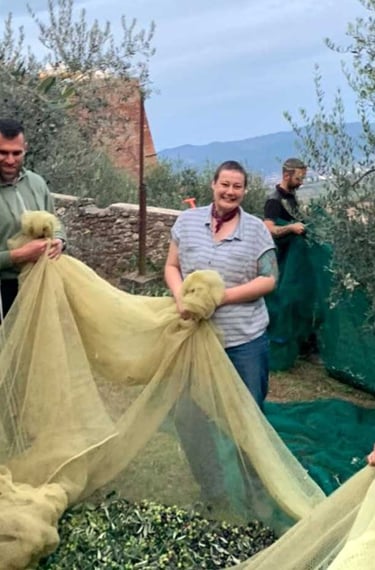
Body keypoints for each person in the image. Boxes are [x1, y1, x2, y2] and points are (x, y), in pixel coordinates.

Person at [165, 160, 278, 409]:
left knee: (247, 412)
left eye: (237, 186)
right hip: (192, 333)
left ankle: (243, 451)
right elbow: (172, 266)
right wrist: (180, 298)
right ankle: (201, 450)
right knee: (191, 411)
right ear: (213, 185)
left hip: (243, 340)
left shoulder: (257, 229)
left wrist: (222, 297)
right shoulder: (187, 221)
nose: (230, 191)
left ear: (245, 191)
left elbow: (270, 278)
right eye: (224, 184)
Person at [0, 118, 66, 322]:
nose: (10, 160)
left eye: (16, 153)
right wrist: (17, 255)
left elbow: (56, 224)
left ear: (25, 149)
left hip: (40, 284)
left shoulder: (36, 183)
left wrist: (60, 242)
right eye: (2, 152)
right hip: (4, 291)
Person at [264, 157, 307, 241]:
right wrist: (290, 228)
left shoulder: (290, 195)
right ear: (286, 176)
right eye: (298, 179)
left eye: (302, 179)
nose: (301, 182)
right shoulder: (274, 200)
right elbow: (268, 229)